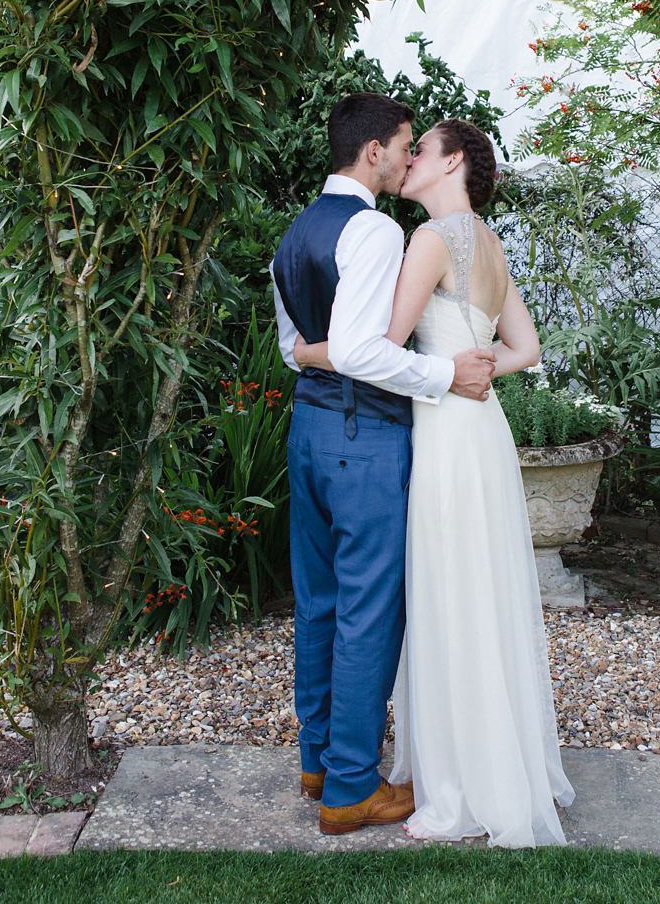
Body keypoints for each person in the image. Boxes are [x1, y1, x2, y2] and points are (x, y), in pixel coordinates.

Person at [295, 118, 574, 847]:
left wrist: (305, 351)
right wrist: (475, 368)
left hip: (444, 425)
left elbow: (375, 350)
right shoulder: (490, 243)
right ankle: (498, 763)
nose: (411, 157)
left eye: (424, 150)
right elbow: (528, 348)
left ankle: (452, 773)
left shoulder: (425, 240)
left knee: (447, 595)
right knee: (483, 591)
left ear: (453, 164)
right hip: (483, 431)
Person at [270, 93, 496, 836]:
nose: (407, 158)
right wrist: (444, 377)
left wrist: (311, 356)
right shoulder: (371, 231)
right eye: (403, 145)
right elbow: (365, 349)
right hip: (360, 439)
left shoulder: (297, 232)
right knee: (369, 612)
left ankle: (318, 761)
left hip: (306, 431)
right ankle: (351, 790)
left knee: (321, 602)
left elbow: (294, 347)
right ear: (373, 152)